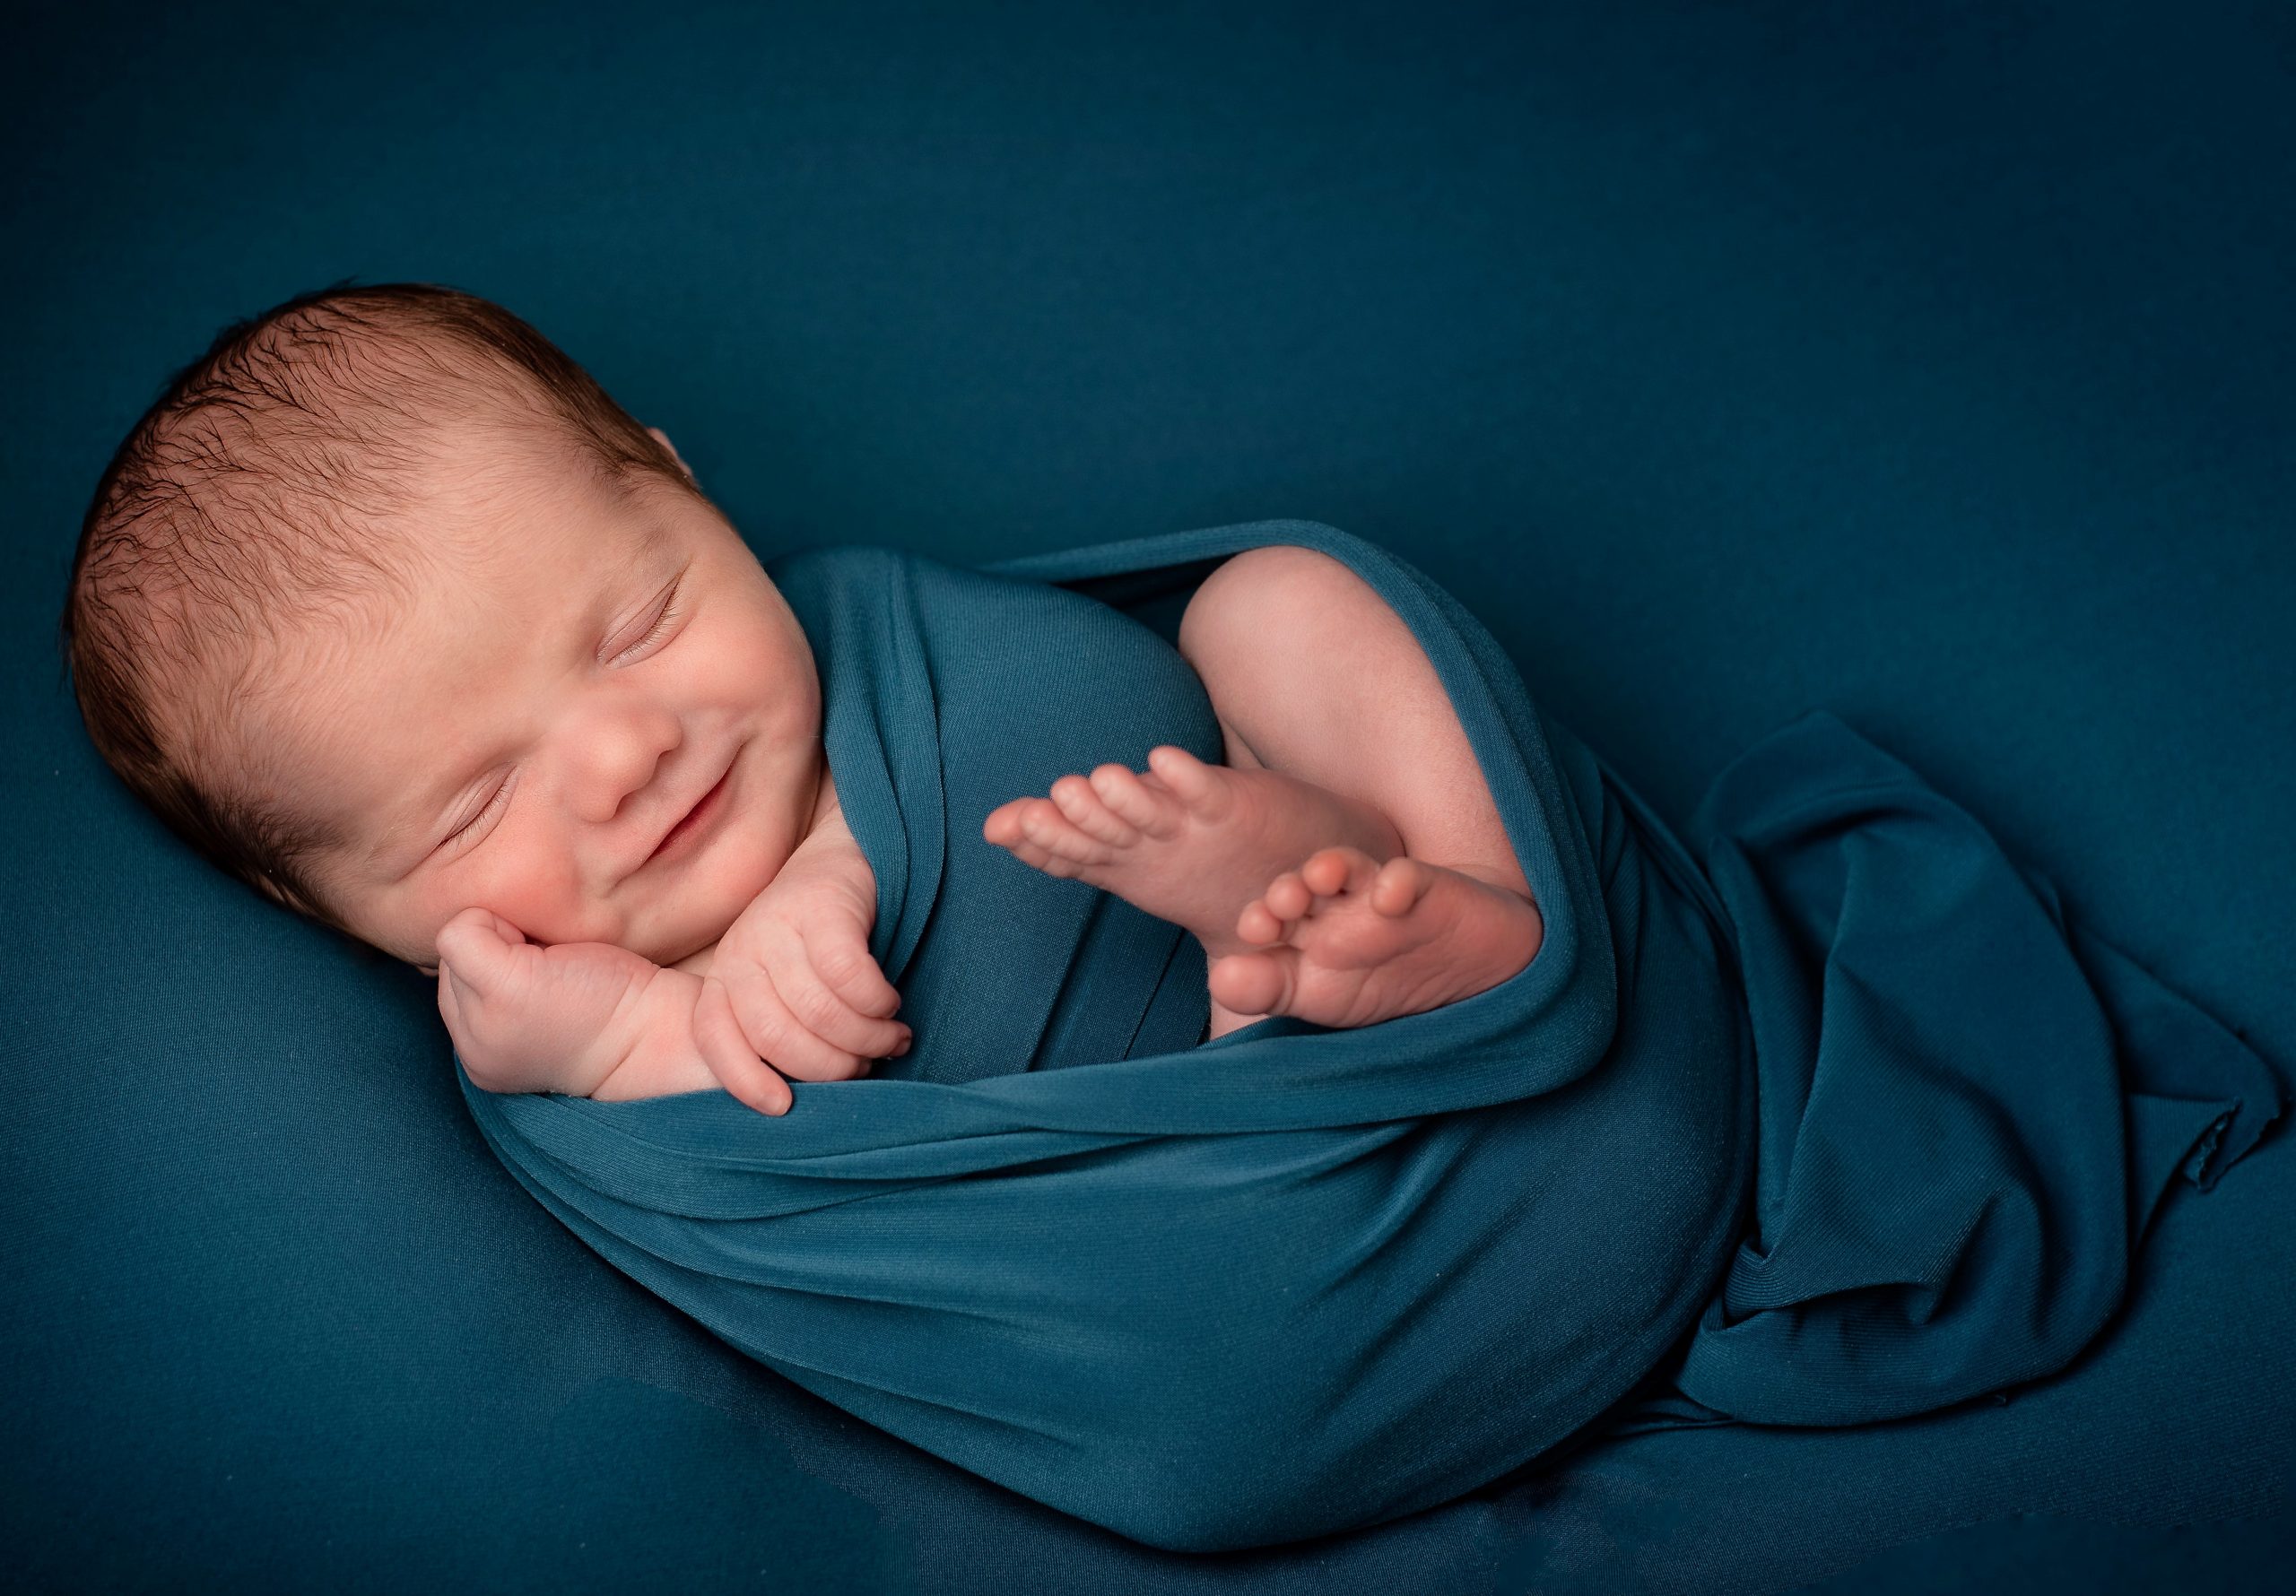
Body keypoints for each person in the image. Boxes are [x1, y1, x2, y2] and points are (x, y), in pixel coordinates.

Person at [60, 282, 1544, 1115]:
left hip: (1216, 903)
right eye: (478, 799)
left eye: (637, 624)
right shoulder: (544, 1024)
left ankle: (1449, 905)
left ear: (680, 482)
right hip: (1171, 1206)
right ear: (324, 910)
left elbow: (1080, 698)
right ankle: (1289, 989)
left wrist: (840, 861)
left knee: (1275, 605)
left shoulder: (875, 638)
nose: (626, 755)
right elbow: (770, 1211)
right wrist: (635, 1040)